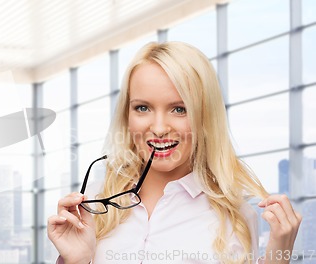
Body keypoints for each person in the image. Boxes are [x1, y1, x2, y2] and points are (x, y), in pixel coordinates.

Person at [47, 41, 302, 264]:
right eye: (143, 108)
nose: (158, 128)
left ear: (205, 116)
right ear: (127, 114)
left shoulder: (234, 219)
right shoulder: (94, 205)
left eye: (179, 109)